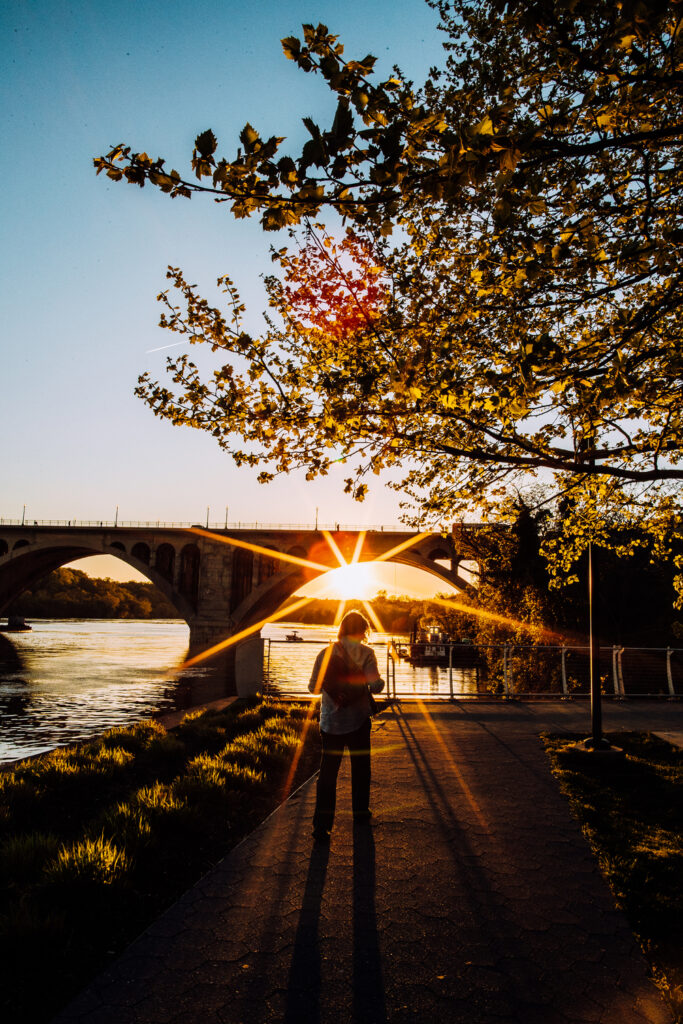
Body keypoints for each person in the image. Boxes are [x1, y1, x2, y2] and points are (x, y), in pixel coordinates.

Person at [308, 610, 385, 843]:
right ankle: (360, 815)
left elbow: (313, 687)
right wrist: (375, 680)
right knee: (361, 770)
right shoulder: (367, 653)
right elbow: (376, 687)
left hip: (331, 723)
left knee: (328, 774)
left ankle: (321, 828)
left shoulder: (325, 653)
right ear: (363, 631)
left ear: (341, 629)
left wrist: (333, 688)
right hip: (359, 722)